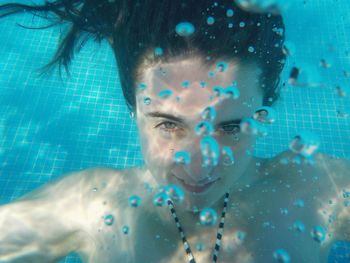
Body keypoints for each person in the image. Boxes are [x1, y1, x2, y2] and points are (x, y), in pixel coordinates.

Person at [0, 1, 349, 262]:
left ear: (264, 109)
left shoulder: (318, 188)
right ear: (132, 105)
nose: (200, 167)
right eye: (169, 124)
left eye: (231, 126)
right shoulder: (93, 205)